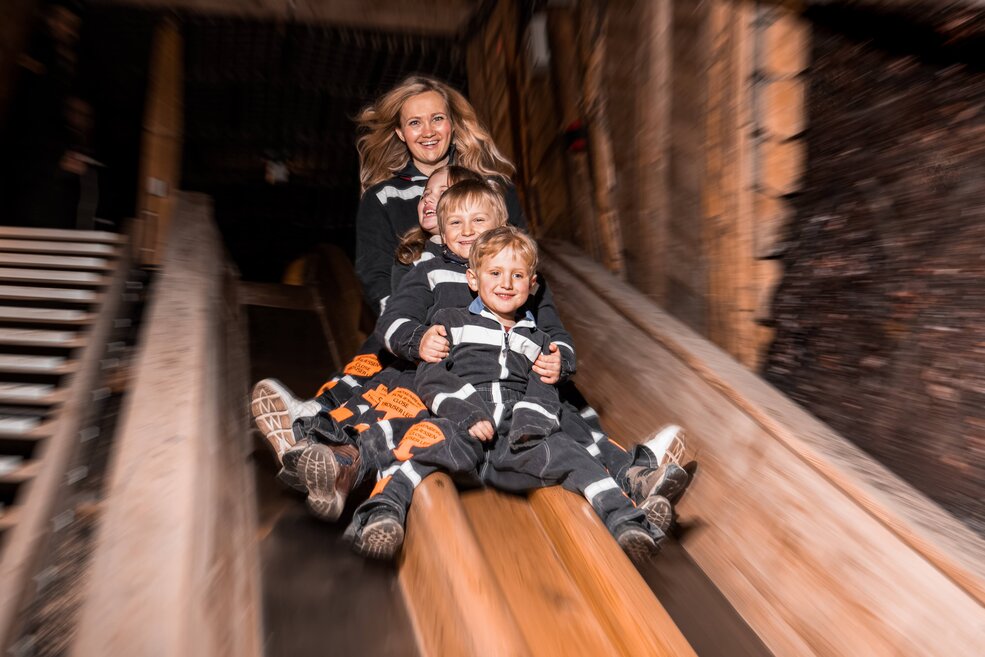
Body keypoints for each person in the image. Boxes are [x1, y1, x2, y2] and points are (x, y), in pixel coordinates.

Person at [292, 181, 686, 533]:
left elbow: (553, 331)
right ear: (441, 231)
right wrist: (419, 340)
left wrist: (559, 359)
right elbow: (394, 320)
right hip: (441, 375)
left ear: (499, 229)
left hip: (514, 390)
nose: (466, 232)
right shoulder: (431, 271)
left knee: (568, 419)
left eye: (478, 222)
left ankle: (631, 476)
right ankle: (348, 468)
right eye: (455, 223)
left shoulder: (519, 280)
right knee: (404, 415)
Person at [343, 225, 666, 563]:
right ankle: (383, 512)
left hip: (517, 436)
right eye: (495, 273)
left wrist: (531, 423)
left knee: (574, 456)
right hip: (461, 423)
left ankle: (626, 521)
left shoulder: (539, 339)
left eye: (517, 275)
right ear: (473, 280)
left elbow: (544, 386)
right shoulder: (451, 322)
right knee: (423, 445)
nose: (506, 283)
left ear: (533, 284)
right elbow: (431, 375)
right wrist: (467, 413)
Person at [353, 75, 526, 316]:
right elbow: (376, 275)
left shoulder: (495, 188)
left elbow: (523, 261)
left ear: (452, 124)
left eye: (437, 119)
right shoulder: (383, 198)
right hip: (417, 335)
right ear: (401, 133)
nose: (428, 132)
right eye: (415, 123)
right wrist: (407, 332)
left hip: (494, 330)